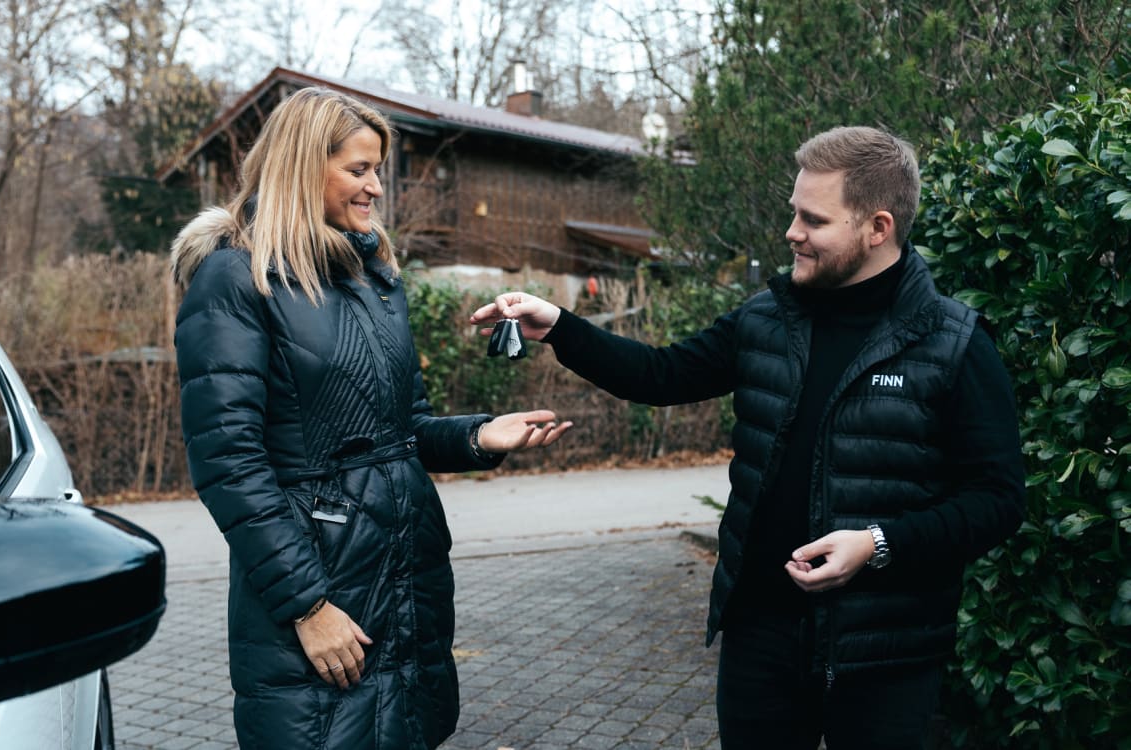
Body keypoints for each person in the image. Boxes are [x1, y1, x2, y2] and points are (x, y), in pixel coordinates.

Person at [470, 126, 1025, 750]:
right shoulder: (767, 318)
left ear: (878, 227)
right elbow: (662, 375)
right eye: (794, 212)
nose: (792, 232)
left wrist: (876, 544)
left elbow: (997, 499)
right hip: (759, 639)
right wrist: (561, 326)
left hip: (883, 654)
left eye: (813, 220)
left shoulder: (953, 342)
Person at [170, 87, 572, 749]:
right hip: (321, 590)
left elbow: (401, 430)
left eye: (377, 170)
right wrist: (307, 606)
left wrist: (477, 436)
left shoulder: (373, 279)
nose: (376, 188)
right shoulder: (235, 281)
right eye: (358, 170)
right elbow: (228, 464)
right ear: (302, 168)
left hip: (406, 583)